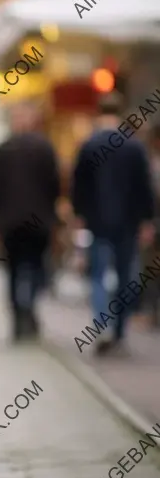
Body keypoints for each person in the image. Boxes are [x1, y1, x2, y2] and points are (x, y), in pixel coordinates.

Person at [71, 91, 155, 355]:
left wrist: (79, 214)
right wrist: (147, 220)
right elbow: (145, 187)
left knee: (97, 275)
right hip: (128, 223)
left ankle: (101, 326)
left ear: (99, 111)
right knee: (125, 276)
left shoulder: (89, 144)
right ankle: (118, 331)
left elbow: (78, 186)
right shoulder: (134, 146)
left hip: (97, 221)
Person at [0, 102, 60, 340]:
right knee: (36, 266)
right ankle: (29, 307)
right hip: (39, 221)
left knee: (15, 270)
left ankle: (19, 315)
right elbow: (55, 185)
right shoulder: (45, 148)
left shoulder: (4, 149)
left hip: (10, 222)